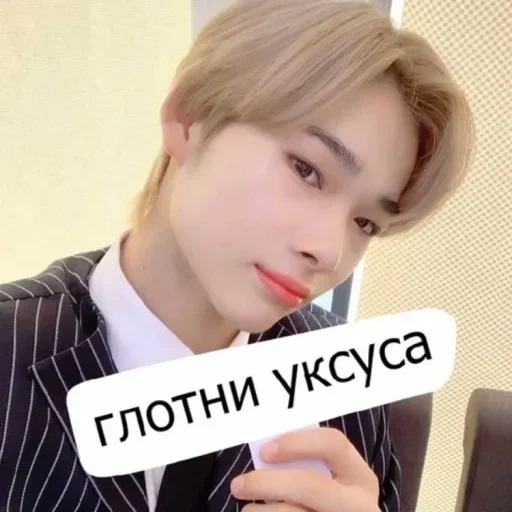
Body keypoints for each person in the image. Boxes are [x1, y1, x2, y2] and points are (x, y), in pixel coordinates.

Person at [0, 0, 474, 511]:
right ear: (189, 118)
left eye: (365, 223)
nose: (328, 251)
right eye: (307, 169)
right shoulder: (11, 355)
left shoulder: (348, 393)